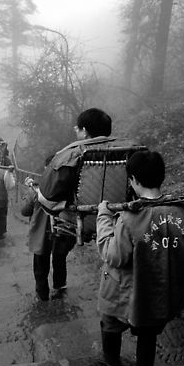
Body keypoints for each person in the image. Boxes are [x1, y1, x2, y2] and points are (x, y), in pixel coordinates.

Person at [95, 150, 184, 366]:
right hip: (159, 294)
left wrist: (103, 217)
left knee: (110, 326)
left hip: (124, 293)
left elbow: (114, 256)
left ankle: (112, 365)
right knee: (148, 334)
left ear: (133, 179)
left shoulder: (130, 217)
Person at [36, 108, 136, 296]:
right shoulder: (133, 150)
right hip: (121, 217)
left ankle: (54, 284)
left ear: (84, 130)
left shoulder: (70, 154)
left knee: (46, 201)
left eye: (77, 129)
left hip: (82, 220)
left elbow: (49, 193)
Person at [21, 155, 76, 301]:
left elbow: (25, 210)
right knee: (60, 258)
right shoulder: (71, 186)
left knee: (40, 263)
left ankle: (42, 293)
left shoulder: (37, 190)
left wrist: (28, 194)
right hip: (65, 230)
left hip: (42, 233)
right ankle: (59, 286)